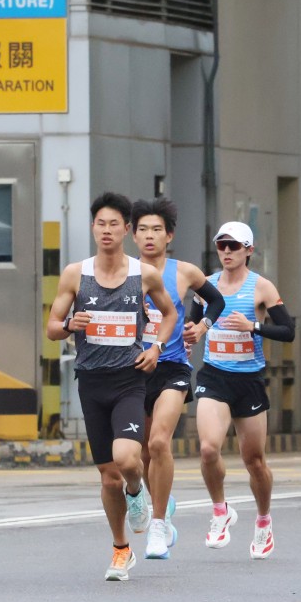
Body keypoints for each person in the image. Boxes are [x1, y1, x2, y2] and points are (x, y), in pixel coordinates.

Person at [46, 192, 177, 581]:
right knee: (107, 476)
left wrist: (156, 346)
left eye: (114, 224)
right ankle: (121, 550)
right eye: (100, 223)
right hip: (91, 382)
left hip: (129, 380)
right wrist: (70, 325)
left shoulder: (143, 274)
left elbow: (169, 314)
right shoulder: (75, 274)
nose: (106, 230)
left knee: (126, 459)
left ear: (126, 230)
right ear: (93, 228)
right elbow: (52, 327)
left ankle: (137, 490)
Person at [184, 221, 295, 560]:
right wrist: (188, 337)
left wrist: (254, 327)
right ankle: (220, 510)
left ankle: (263, 520)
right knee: (207, 449)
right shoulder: (207, 286)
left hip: (249, 380)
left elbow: (288, 330)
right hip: (214, 376)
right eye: (222, 246)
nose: (227, 252)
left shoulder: (261, 287)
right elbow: (192, 324)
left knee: (254, 460)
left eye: (234, 246)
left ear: (249, 250)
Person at [131, 197, 226, 560]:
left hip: (172, 367)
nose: (150, 236)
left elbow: (215, 301)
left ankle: (158, 527)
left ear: (169, 235)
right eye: (143, 230)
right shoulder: (121, 272)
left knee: (158, 443)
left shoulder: (183, 272)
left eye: (157, 230)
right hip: (133, 367)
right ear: (133, 235)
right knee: (139, 452)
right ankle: (161, 502)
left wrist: (202, 326)